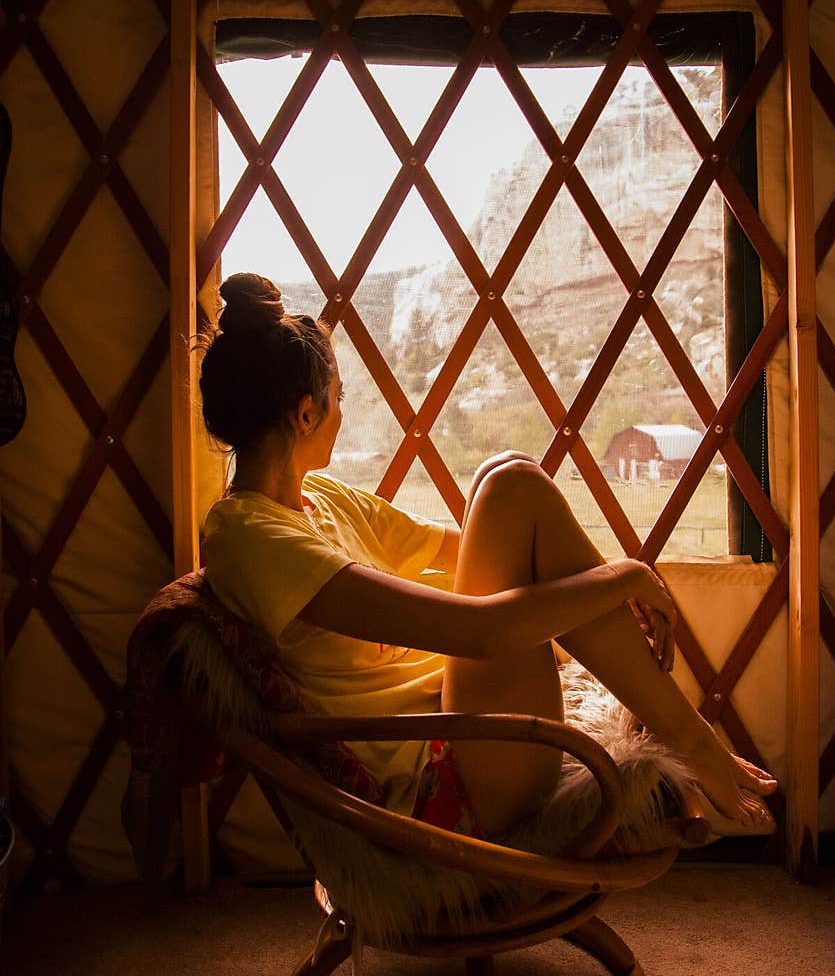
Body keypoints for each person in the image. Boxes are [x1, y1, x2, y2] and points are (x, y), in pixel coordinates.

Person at [198, 272, 776, 840]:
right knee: (509, 485)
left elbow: (477, 544)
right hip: (437, 782)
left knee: (503, 479)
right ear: (305, 414)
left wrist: (604, 583)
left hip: (467, 729)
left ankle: (686, 734)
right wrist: (625, 577)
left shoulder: (321, 498)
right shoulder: (250, 537)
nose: (343, 415)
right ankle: (693, 738)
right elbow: (483, 635)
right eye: (338, 399)